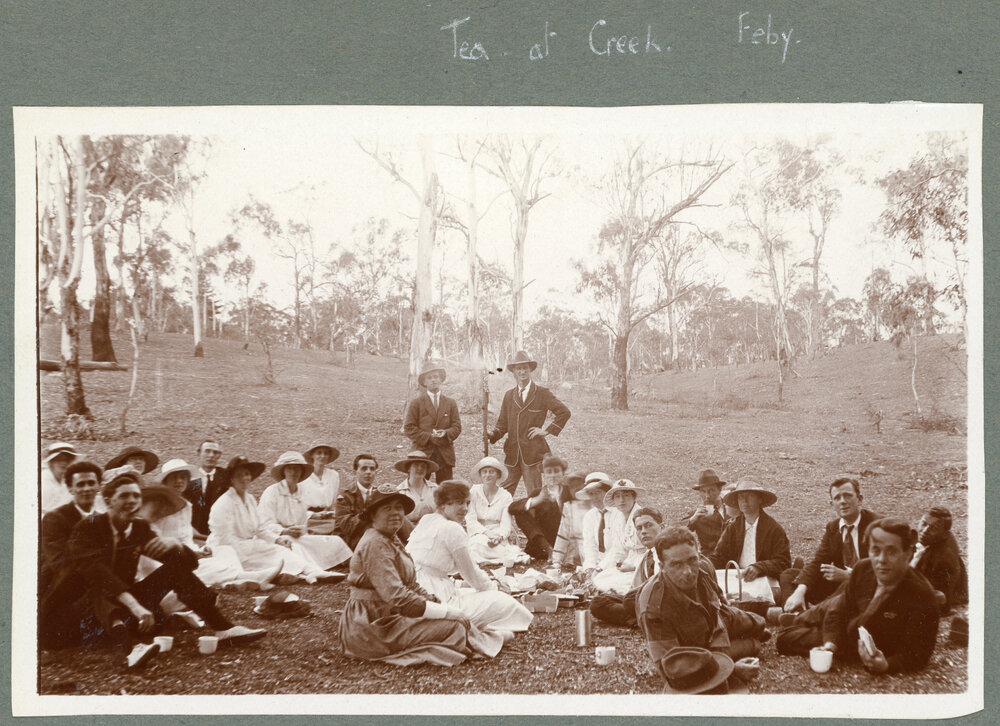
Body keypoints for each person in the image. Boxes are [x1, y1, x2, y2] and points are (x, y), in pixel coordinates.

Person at [42, 467, 265, 669]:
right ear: (109, 500)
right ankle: (129, 650)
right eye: (124, 496)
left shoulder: (137, 527)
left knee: (172, 572)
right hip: (72, 617)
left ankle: (223, 627)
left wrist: (175, 544)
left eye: (136, 496)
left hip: (114, 609)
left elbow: (184, 564)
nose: (131, 501)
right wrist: (135, 605)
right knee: (98, 582)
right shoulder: (80, 526)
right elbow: (87, 570)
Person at [339, 483, 503, 665]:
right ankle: (477, 641)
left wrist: (439, 605)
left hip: (389, 614)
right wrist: (445, 612)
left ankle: (475, 640)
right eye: (387, 508)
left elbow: (412, 585)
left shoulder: (389, 538)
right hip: (372, 625)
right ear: (372, 515)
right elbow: (397, 596)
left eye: (398, 508)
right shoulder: (375, 543)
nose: (395, 513)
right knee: (454, 626)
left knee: (458, 621)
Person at [776, 518, 940, 674]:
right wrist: (829, 644)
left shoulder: (923, 596)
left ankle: (800, 618)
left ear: (907, 554)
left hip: (852, 642)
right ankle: (802, 617)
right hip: (841, 624)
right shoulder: (863, 569)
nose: (881, 560)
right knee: (818, 612)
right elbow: (839, 609)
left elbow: (917, 655)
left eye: (891, 552)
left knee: (784, 639)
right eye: (875, 551)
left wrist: (886, 665)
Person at [636, 526, 768, 682]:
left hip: (717, 621)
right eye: (676, 565)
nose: (688, 572)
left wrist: (721, 644)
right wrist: (731, 670)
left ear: (698, 555)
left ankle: (746, 638)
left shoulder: (703, 567)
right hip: (694, 645)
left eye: (692, 560)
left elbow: (718, 605)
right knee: (754, 646)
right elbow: (671, 670)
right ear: (662, 566)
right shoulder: (653, 606)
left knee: (760, 624)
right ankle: (743, 646)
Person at [407, 480, 533, 637]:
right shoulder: (452, 528)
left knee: (470, 592)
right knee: (506, 603)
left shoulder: (427, 520)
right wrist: (494, 588)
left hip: (415, 591)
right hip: (435, 595)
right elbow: (471, 574)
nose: (465, 509)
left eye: (467, 503)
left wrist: (460, 583)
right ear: (443, 505)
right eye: (459, 503)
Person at [148, 458, 282, 590]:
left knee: (226, 551)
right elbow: (153, 539)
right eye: (174, 477)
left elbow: (186, 538)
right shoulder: (156, 506)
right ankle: (249, 577)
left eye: (183, 477)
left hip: (186, 554)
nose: (179, 481)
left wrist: (198, 550)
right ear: (165, 481)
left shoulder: (186, 506)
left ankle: (237, 580)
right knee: (199, 568)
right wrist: (185, 551)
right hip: (165, 558)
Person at [207, 456, 316, 584]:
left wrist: (277, 539)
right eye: (239, 475)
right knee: (248, 560)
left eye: (247, 474)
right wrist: (250, 546)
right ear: (231, 479)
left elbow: (260, 529)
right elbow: (224, 539)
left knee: (279, 549)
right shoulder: (224, 503)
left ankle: (310, 571)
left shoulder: (250, 499)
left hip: (247, 546)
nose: (244, 479)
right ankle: (265, 576)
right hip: (227, 548)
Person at [781, 477, 880, 612]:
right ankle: (797, 613)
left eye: (848, 496)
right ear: (832, 503)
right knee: (789, 575)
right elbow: (818, 562)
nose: (843, 502)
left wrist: (849, 576)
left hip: (867, 588)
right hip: (837, 586)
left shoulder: (876, 526)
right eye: (837, 498)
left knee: (844, 589)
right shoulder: (833, 528)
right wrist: (800, 590)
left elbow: (884, 569)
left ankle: (815, 614)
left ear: (860, 499)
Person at [487, 350, 571, 497]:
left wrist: (546, 430)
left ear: (530, 370)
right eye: (518, 368)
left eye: (525, 368)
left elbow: (564, 412)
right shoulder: (509, 395)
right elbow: (503, 424)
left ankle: (537, 519)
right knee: (502, 495)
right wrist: (492, 434)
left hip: (533, 454)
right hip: (512, 454)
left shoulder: (542, 393)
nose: (522, 371)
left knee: (535, 494)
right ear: (513, 371)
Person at [258, 451, 352, 577]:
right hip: (276, 537)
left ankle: (346, 563)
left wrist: (300, 530)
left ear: (301, 472)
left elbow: (303, 522)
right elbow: (264, 524)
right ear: (283, 472)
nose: (293, 472)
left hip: (298, 537)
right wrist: (283, 531)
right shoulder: (272, 492)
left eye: (297, 469)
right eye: (290, 469)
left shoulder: (301, 492)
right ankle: (311, 571)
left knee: (335, 541)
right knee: (293, 545)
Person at [709, 478, 791, 592]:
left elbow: (784, 563)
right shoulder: (733, 528)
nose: (744, 501)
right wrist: (703, 564)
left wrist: (759, 567)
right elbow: (718, 557)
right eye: (741, 497)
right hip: (737, 579)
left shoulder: (774, 529)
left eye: (750, 496)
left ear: (760, 499)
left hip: (765, 581)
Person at [39, 460, 102, 605]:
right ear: (70, 489)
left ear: (98, 486)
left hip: (98, 591)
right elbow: (60, 563)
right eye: (80, 484)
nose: (87, 489)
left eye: (91, 483)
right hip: (59, 592)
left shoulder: (103, 519)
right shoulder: (54, 519)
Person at [590, 506, 664, 627]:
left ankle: (645, 620)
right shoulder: (647, 554)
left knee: (627, 601)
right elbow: (637, 585)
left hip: (663, 602)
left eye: (648, 525)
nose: (644, 531)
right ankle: (641, 619)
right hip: (646, 601)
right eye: (639, 528)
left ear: (662, 526)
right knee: (598, 602)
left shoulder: (667, 550)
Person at [402, 362, 462, 483]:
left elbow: (457, 426)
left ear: (441, 379)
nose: (433, 380)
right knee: (417, 487)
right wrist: (429, 437)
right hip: (422, 452)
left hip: (444, 453)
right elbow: (408, 428)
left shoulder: (450, 403)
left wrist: (445, 433)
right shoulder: (417, 403)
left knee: (446, 490)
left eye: (436, 376)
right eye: (429, 378)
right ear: (424, 382)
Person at [465, 456, 528, 565]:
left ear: (498, 475)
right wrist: (487, 533)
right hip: (478, 532)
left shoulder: (505, 496)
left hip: (497, 532)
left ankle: (495, 557)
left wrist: (499, 537)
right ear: (480, 475)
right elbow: (470, 519)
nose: (487, 475)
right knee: (476, 544)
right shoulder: (474, 491)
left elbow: (506, 523)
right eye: (484, 472)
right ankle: (509, 557)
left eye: (491, 472)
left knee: (492, 546)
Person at [508, 454, 572, 560]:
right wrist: (537, 500)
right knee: (521, 512)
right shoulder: (538, 492)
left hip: (566, 538)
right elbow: (512, 508)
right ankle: (548, 549)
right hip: (545, 541)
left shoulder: (569, 491)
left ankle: (559, 551)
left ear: (563, 473)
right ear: (544, 475)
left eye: (556, 471)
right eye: (549, 472)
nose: (553, 475)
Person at [592, 479, 647, 594]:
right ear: (614, 501)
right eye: (617, 496)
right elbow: (618, 549)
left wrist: (634, 566)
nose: (622, 500)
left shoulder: (643, 517)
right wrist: (600, 567)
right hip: (627, 564)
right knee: (600, 578)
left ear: (634, 498)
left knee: (624, 585)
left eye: (626, 495)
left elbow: (653, 550)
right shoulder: (619, 518)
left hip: (644, 565)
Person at [912, 507, 968, 613]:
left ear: (944, 534)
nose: (925, 531)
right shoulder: (928, 540)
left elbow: (943, 600)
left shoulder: (945, 558)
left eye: (933, 528)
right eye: (923, 524)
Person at [335, 454, 380, 550]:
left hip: (377, 538)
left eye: (372, 469)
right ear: (355, 471)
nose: (368, 472)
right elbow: (347, 528)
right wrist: (366, 512)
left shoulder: (379, 493)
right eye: (364, 468)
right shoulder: (345, 496)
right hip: (352, 543)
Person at [186, 440, 230, 535]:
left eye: (215, 452)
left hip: (221, 532)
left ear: (219, 455)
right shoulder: (189, 479)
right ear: (199, 453)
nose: (211, 455)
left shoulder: (227, 477)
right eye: (207, 451)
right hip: (195, 533)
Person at [550, 472, 591, 569]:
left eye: (579, 485)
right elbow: (563, 534)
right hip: (576, 549)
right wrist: (557, 560)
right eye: (572, 487)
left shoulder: (595, 504)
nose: (576, 489)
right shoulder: (569, 506)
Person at [685, 469, 726, 554]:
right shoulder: (697, 514)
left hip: (733, 558)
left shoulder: (731, 509)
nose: (707, 496)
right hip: (709, 559)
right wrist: (692, 519)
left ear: (719, 490)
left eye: (712, 490)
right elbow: (676, 533)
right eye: (703, 491)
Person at [578, 473, 614, 571]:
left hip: (617, 562)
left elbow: (618, 549)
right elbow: (589, 546)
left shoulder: (618, 513)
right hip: (599, 564)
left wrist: (600, 568)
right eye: (591, 494)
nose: (594, 497)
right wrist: (590, 567)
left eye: (598, 492)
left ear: (608, 493)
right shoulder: (589, 516)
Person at [395, 450, 439, 526]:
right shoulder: (399, 492)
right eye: (416, 465)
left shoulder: (435, 489)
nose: (420, 468)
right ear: (408, 468)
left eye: (423, 466)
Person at [300, 443, 342, 517]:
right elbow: (296, 506)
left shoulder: (334, 475)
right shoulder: (303, 476)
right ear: (312, 455)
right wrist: (313, 515)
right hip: (307, 517)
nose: (323, 456)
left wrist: (331, 513)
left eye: (326, 453)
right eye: (319, 453)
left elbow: (333, 503)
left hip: (326, 517)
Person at [40, 442, 79, 514]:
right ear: (50, 462)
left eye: (67, 460)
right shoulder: (41, 480)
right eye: (59, 459)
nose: (63, 463)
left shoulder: (71, 480)